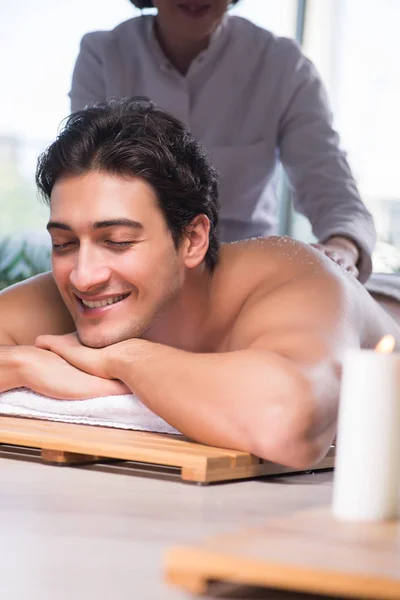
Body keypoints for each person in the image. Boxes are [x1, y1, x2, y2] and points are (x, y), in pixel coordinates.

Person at [0, 99, 398, 471]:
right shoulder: (70, 288)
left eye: (118, 242)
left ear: (192, 240)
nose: (84, 277)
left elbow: (288, 422)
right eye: (64, 243)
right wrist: (22, 364)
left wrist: (122, 360)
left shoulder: (294, 281)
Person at [69, 0, 376, 282]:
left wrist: (342, 246)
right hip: (131, 277)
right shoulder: (103, 55)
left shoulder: (282, 65)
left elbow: (328, 180)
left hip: (245, 280)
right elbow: (89, 185)